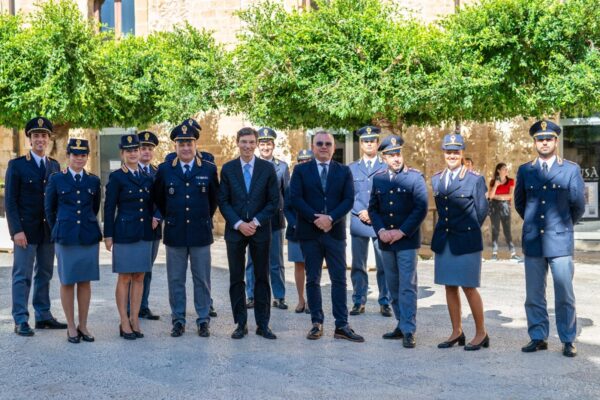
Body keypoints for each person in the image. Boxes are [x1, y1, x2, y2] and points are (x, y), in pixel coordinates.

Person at [515, 120, 585, 358]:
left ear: (555, 141)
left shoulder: (570, 169)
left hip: (560, 241)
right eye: (539, 139)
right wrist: (536, 224)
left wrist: (562, 225)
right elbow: (520, 203)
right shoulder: (525, 170)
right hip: (534, 240)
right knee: (534, 293)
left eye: (548, 139)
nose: (544, 142)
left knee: (564, 292)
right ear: (534, 142)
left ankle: (567, 338)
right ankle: (538, 336)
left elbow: (578, 205)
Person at [290, 130, 364, 342]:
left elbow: (348, 200)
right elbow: (296, 198)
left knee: (339, 279)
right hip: (310, 233)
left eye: (328, 144)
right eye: (319, 143)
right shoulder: (301, 170)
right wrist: (316, 219)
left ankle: (341, 325)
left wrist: (330, 218)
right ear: (313, 147)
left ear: (333, 147)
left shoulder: (343, 171)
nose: (324, 147)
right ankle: (316, 322)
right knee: (313, 279)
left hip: (335, 233)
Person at [153, 124, 219, 338]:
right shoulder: (165, 169)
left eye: (189, 143)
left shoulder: (208, 168)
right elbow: (159, 199)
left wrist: (202, 218)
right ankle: (178, 319)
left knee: (202, 279)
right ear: (175, 145)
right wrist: (170, 217)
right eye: (181, 143)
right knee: (176, 279)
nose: (185, 147)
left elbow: (213, 201)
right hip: (175, 232)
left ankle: (203, 319)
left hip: (200, 232)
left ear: (195, 144)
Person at [5, 117, 67, 336]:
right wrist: (16, 231)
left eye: (43, 135)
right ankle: (20, 319)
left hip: (47, 231)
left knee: (45, 273)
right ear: (30, 139)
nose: (40, 139)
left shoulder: (54, 165)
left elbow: (56, 200)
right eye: (36, 136)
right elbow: (10, 201)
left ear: (49, 139)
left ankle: (43, 315)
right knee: (22, 275)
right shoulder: (17, 165)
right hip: (26, 231)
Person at [218, 127, 279, 340]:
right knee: (237, 278)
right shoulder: (228, 169)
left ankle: (263, 324)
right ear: (237, 142)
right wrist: (238, 223)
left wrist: (254, 221)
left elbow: (274, 202)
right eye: (244, 142)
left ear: (256, 144)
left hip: (259, 230)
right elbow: (223, 201)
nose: (248, 146)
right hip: (235, 232)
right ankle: (240, 323)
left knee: (262, 276)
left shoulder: (267, 168)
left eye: (251, 142)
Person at [368, 135, 428, 348]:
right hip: (386, 240)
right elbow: (373, 208)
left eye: (398, 154)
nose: (396, 158)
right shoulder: (379, 178)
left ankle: (409, 329)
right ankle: (400, 324)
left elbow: (421, 208)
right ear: (383, 157)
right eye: (391, 155)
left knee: (407, 286)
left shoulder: (414, 177)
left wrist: (402, 231)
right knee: (392, 285)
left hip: (406, 241)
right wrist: (381, 230)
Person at [431, 133, 490, 351]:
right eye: (448, 151)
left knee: (469, 287)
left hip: (466, 240)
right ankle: (457, 331)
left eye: (456, 151)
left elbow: (482, 211)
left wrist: (466, 228)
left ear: (462, 153)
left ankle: (481, 333)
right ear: (444, 153)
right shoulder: (437, 179)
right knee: (449, 286)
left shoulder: (474, 179)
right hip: (444, 240)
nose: (452, 155)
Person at [45, 138, 102, 344]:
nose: (79, 158)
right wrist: (59, 228)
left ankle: (83, 325)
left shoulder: (93, 181)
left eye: (83, 155)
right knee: (67, 281)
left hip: (87, 235)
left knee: (85, 281)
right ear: (68, 156)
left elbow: (94, 208)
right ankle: (71, 325)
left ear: (87, 156)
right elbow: (49, 209)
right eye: (75, 154)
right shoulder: (56, 179)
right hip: (66, 237)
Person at [104, 134, 155, 340]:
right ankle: (124, 320)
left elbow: (156, 200)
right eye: (129, 151)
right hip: (124, 233)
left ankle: (135, 319)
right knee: (125, 277)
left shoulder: (148, 175)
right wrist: (108, 235)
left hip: (144, 232)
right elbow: (109, 207)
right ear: (123, 154)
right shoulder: (117, 177)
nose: (133, 153)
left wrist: (157, 216)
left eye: (136, 149)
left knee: (140, 276)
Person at [348, 126, 391, 317]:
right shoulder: (351, 168)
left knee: (384, 264)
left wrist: (372, 213)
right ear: (361, 143)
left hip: (379, 221)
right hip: (358, 220)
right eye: (365, 141)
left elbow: (388, 195)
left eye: (372, 141)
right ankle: (359, 300)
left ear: (377, 143)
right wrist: (360, 211)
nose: (369, 144)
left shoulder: (385, 167)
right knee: (358, 264)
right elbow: (348, 195)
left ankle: (385, 301)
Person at [245, 127, 290, 310]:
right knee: (252, 261)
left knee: (276, 262)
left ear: (273, 145)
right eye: (262, 143)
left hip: (274, 221)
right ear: (258, 146)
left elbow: (287, 195)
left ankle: (279, 296)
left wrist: (291, 221)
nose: (265, 147)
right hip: (254, 222)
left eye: (268, 143)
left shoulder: (282, 166)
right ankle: (251, 295)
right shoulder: (250, 165)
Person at [135, 130, 162, 320]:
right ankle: (130, 307)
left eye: (149, 149)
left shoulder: (158, 173)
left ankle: (143, 305)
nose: (146, 152)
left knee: (147, 269)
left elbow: (164, 198)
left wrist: (158, 216)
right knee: (132, 269)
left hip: (153, 228)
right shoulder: (128, 170)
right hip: (134, 228)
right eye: (143, 148)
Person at [284, 149, 314, 314]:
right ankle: (301, 299)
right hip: (295, 230)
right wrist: (295, 223)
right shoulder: (292, 183)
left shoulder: (318, 182)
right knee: (299, 265)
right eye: (301, 161)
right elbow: (287, 207)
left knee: (312, 265)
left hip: (312, 230)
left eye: (307, 161)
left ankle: (311, 300)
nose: (304, 163)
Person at [488, 162, 520, 261]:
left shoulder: (511, 181)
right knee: (495, 230)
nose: (506, 170)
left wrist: (497, 197)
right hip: (493, 207)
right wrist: (496, 186)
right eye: (504, 169)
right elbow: (490, 196)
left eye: (507, 169)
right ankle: (494, 254)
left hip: (506, 206)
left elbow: (510, 196)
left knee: (507, 230)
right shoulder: (493, 182)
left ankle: (513, 254)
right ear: (498, 170)